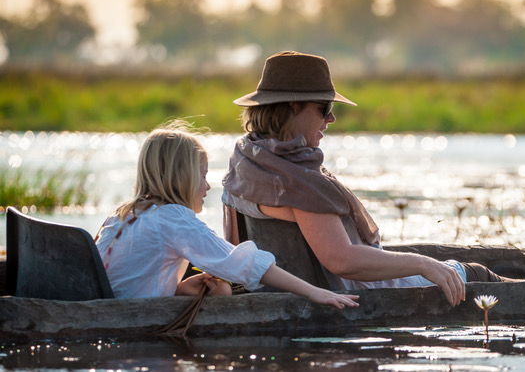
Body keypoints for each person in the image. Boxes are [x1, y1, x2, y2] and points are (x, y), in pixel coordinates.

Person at [221, 50, 525, 307]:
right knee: (473, 275)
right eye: (323, 107)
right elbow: (341, 260)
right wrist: (426, 266)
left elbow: (235, 250)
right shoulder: (298, 179)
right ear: (292, 106)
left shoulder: (245, 162)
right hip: (347, 296)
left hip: (284, 291)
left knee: (459, 262)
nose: (331, 118)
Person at [95, 119, 360, 310]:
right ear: (184, 177)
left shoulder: (123, 214)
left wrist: (176, 289)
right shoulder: (173, 217)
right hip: (136, 320)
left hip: (117, 305)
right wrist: (315, 292)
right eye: (202, 175)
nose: (208, 186)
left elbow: (126, 281)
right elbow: (244, 263)